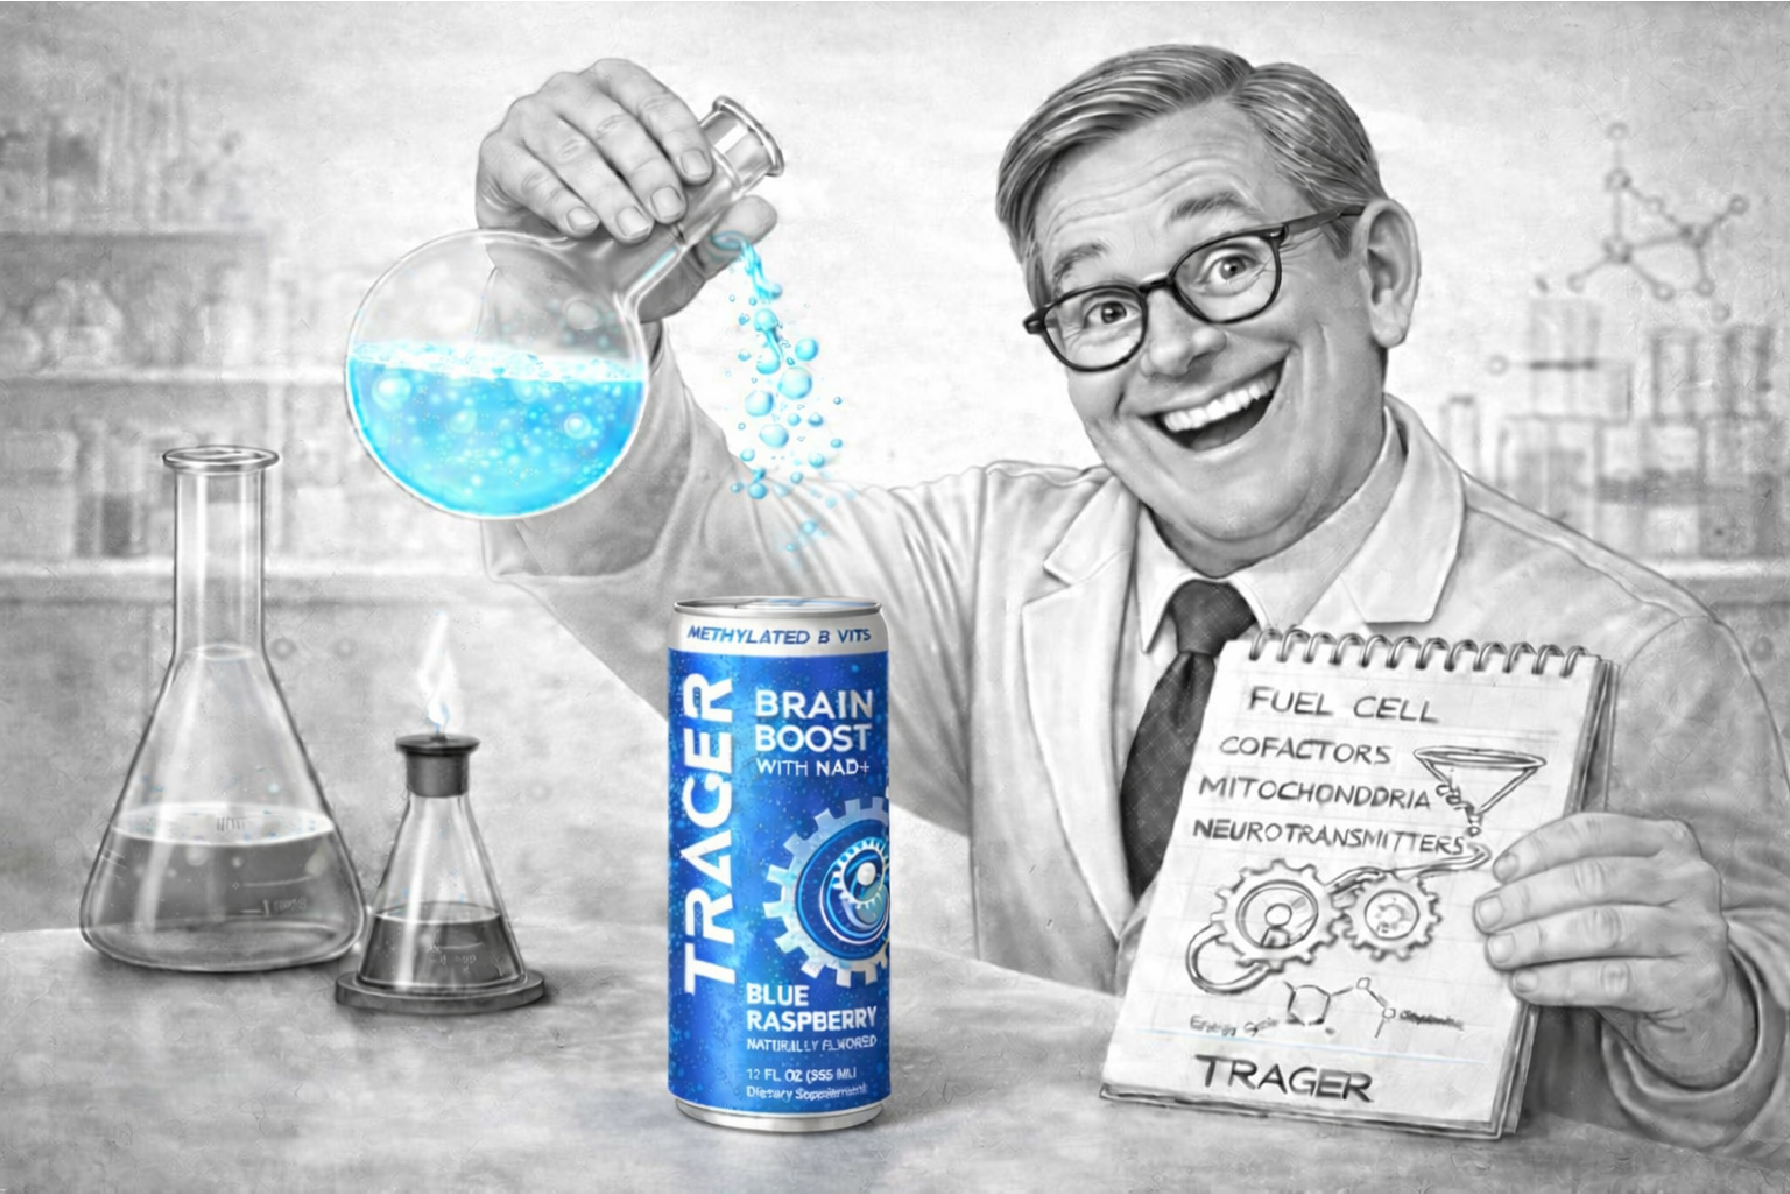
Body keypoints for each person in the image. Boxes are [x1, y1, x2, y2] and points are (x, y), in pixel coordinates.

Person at [473, 49, 1790, 1154]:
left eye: (1224, 264)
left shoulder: (1637, 653)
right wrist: (551, 300)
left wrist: (1712, 1016)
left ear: (1377, 272)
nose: (1170, 349)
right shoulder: (984, 562)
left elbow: (1760, 1093)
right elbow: (669, 564)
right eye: (1100, 306)